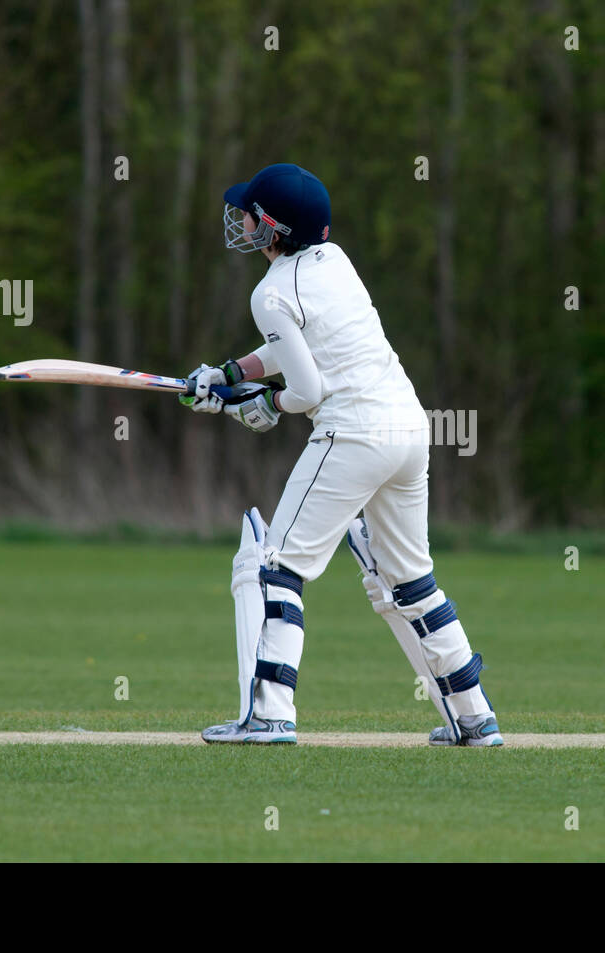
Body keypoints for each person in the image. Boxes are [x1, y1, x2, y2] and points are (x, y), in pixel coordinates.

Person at [183, 163, 502, 747]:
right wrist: (231, 374)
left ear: (272, 228)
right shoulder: (335, 262)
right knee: (413, 582)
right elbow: (299, 346)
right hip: (407, 428)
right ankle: (475, 717)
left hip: (352, 434)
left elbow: (307, 391)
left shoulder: (270, 291)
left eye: (250, 214)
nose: (242, 221)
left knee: (278, 566)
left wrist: (262, 405)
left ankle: (272, 716)